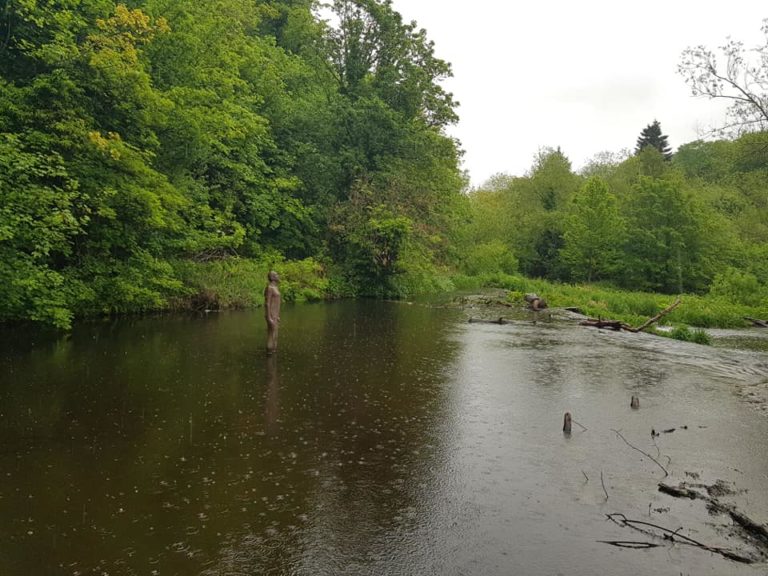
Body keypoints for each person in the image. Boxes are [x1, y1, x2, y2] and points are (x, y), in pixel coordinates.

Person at [264, 271, 281, 354]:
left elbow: (277, 302)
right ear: (272, 277)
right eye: (277, 275)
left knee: (275, 335)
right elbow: (267, 303)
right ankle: (269, 352)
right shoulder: (269, 288)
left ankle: (273, 353)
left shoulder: (276, 287)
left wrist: (278, 316)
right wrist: (268, 317)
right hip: (271, 315)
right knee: (271, 334)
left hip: (275, 315)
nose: (278, 276)